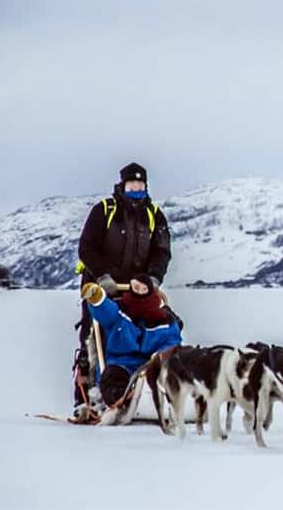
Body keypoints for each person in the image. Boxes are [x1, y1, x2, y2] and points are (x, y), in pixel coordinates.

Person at [72, 162, 172, 421]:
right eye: (132, 185)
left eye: (140, 185)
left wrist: (153, 279)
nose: (136, 189)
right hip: (101, 286)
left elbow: (162, 251)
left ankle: (153, 382)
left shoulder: (154, 215)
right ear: (123, 186)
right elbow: (87, 247)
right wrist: (103, 276)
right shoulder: (105, 211)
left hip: (138, 288)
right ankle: (86, 396)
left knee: (144, 330)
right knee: (91, 339)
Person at [79, 274, 181, 411]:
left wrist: (160, 357)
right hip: (120, 364)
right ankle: (123, 400)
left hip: (151, 366)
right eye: (135, 287)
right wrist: (97, 297)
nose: (138, 292)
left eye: (143, 289)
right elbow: (105, 310)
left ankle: (178, 399)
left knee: (173, 371)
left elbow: (172, 342)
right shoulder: (119, 312)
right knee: (112, 378)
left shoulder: (164, 320)